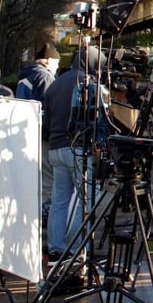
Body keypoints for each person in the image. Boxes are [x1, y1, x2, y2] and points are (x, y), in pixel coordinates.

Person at [43, 46, 106, 260]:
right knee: (87, 198)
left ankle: (55, 247)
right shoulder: (89, 84)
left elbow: (46, 122)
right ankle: (77, 247)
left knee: (59, 200)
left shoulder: (55, 83)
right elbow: (99, 122)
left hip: (55, 149)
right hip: (78, 150)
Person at [17, 43, 60, 233]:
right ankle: (46, 218)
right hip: (42, 136)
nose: (57, 67)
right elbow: (47, 107)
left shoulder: (26, 75)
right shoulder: (44, 76)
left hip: (27, 133)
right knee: (49, 181)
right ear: (49, 60)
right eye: (56, 63)